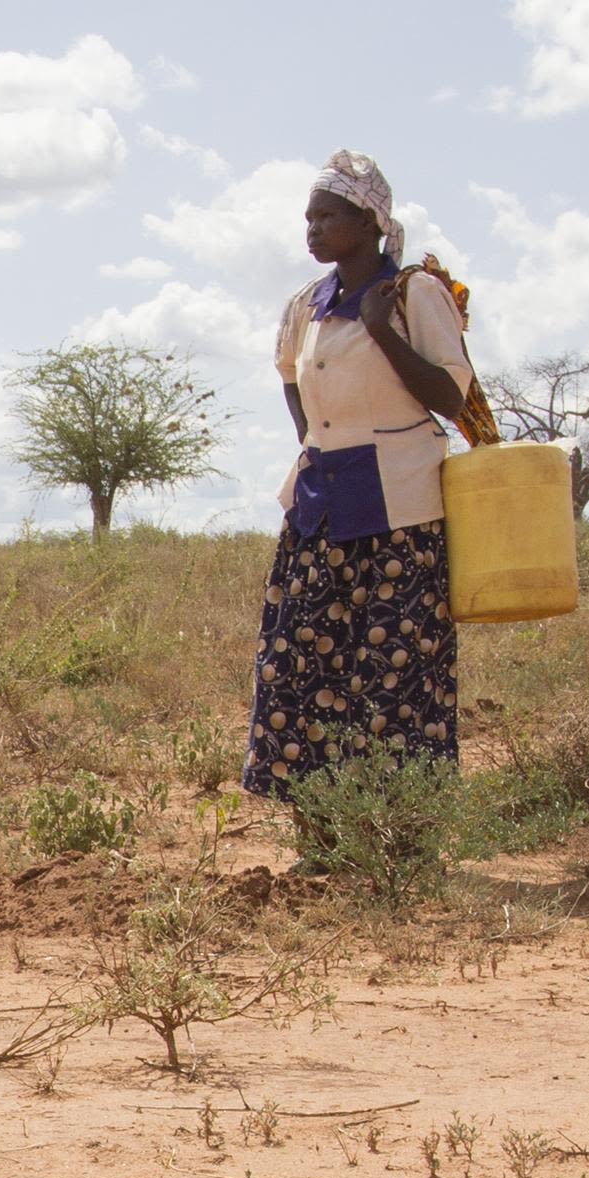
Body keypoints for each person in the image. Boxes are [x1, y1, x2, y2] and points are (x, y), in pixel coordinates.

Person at [246, 151, 488, 813]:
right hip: (318, 509)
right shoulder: (308, 304)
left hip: (400, 510)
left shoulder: (413, 293)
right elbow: (289, 374)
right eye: (308, 217)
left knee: (394, 676)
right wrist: (313, 438)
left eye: (327, 215)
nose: (313, 229)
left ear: (369, 220)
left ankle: (402, 832)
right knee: (299, 665)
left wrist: (382, 330)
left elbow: (450, 392)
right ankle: (322, 829)